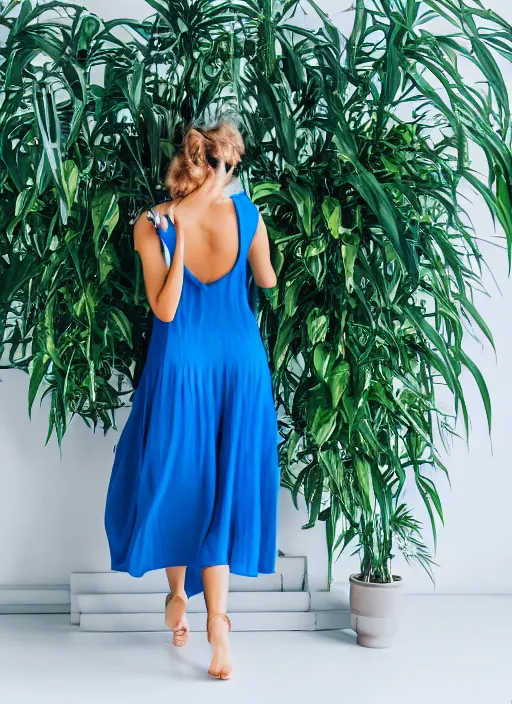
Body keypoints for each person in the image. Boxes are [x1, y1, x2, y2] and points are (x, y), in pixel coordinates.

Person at [103, 121, 280, 680]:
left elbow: (167, 310)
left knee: (179, 478)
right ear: (223, 166)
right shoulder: (245, 216)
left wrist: (178, 237)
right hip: (237, 363)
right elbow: (269, 281)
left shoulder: (151, 223)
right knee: (221, 486)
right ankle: (218, 626)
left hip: (182, 365)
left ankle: (177, 595)